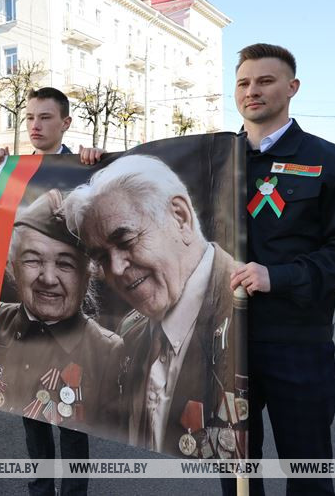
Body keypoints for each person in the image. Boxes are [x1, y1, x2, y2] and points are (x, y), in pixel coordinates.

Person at [222, 44, 335, 495]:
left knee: (307, 471)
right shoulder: (214, 160)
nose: (252, 91)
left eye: (265, 81)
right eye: (243, 82)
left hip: (297, 344)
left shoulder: (332, 162)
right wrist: (89, 161)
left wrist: (280, 276)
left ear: (292, 87)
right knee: (235, 473)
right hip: (222, 344)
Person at [62, 154, 239, 458]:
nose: (116, 269)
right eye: (101, 257)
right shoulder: (131, 331)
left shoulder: (243, 309)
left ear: (180, 217)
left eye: (126, 240)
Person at [0, 190, 123, 496]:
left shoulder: (107, 349)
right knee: (33, 425)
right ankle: (40, 489)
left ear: (86, 275)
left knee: (74, 433)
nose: (48, 278)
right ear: (13, 266)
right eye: (33, 260)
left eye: (66, 264)